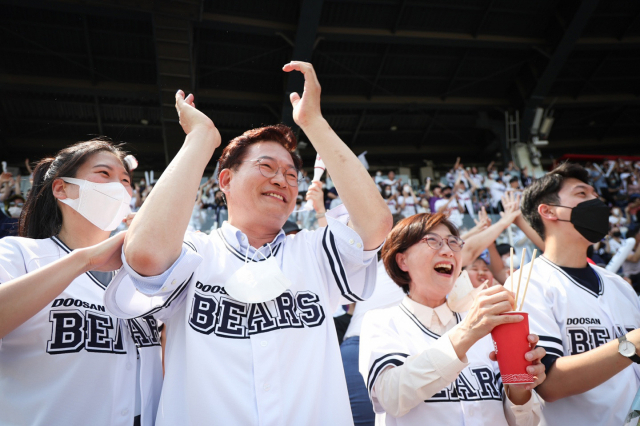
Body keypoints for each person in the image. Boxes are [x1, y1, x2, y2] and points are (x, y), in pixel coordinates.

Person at [104, 62, 392, 425]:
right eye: (267, 167)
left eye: (291, 174)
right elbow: (143, 254)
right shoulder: (195, 251)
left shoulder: (313, 252)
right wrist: (200, 140)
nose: (282, 181)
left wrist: (314, 123)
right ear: (225, 179)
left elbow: (375, 225)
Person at [0, 140, 162, 426]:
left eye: (126, 180)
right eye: (104, 174)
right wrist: (84, 260)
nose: (120, 187)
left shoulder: (140, 273)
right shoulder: (18, 253)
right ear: (62, 188)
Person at [359, 213, 545, 426]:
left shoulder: (485, 325)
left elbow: (525, 422)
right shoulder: (383, 321)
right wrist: (467, 332)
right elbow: (391, 398)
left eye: (453, 243)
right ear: (402, 260)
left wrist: (520, 389)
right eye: (433, 241)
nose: (448, 251)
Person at [519, 162, 640, 426]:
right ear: (548, 211)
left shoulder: (620, 285)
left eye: (595, 195)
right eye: (582, 194)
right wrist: (632, 345)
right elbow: (549, 385)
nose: (596, 201)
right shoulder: (527, 284)